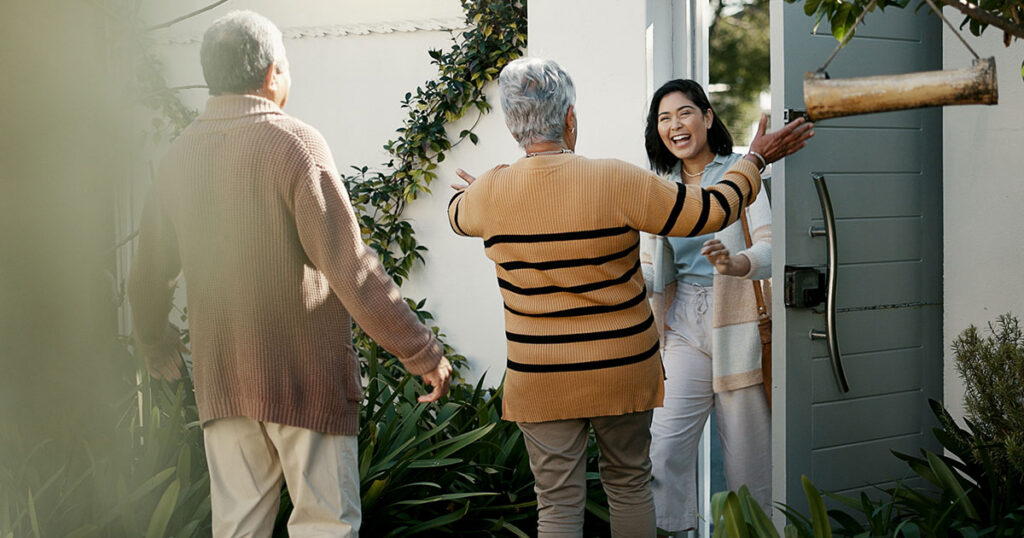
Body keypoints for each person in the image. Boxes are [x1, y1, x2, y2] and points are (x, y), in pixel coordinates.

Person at [448, 58, 812, 537]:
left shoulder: (489, 195)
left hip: (541, 379)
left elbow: (459, 215)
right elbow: (710, 210)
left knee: (556, 506)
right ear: (570, 118)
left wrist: (495, 190)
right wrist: (756, 159)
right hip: (621, 369)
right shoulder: (618, 180)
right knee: (629, 484)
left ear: (513, 125)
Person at [127, 11, 452, 537]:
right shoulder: (295, 145)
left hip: (226, 382)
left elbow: (147, 275)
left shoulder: (178, 156)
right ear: (272, 74)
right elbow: (349, 268)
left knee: (237, 529)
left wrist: (155, 342)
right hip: (306, 383)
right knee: (325, 526)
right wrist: (420, 350)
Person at [641, 79, 777, 534]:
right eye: (663, 118)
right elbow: (652, 273)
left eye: (683, 113)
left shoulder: (739, 171)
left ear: (707, 117)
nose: (674, 125)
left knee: (748, 463)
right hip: (683, 325)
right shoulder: (660, 189)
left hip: (737, 325)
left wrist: (737, 262)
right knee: (662, 450)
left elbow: (772, 249)